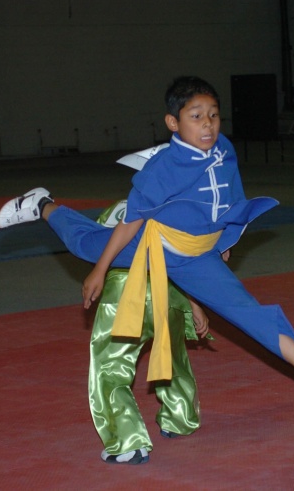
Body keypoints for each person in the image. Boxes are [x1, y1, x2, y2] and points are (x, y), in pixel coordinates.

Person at [0, 75, 294, 463]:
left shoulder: (224, 149)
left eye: (213, 115)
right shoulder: (163, 169)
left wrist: (223, 241)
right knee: (86, 245)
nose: (208, 125)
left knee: (250, 313)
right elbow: (131, 222)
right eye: (196, 116)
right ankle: (42, 205)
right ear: (173, 122)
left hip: (199, 256)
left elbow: (231, 199)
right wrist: (99, 270)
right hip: (155, 243)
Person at [89, 199, 211, 465]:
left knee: (110, 367)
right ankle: (181, 418)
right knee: (172, 357)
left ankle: (128, 442)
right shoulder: (172, 213)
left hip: (123, 293)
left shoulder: (114, 211)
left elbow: (94, 248)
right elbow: (184, 260)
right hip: (167, 291)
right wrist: (194, 304)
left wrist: (97, 273)